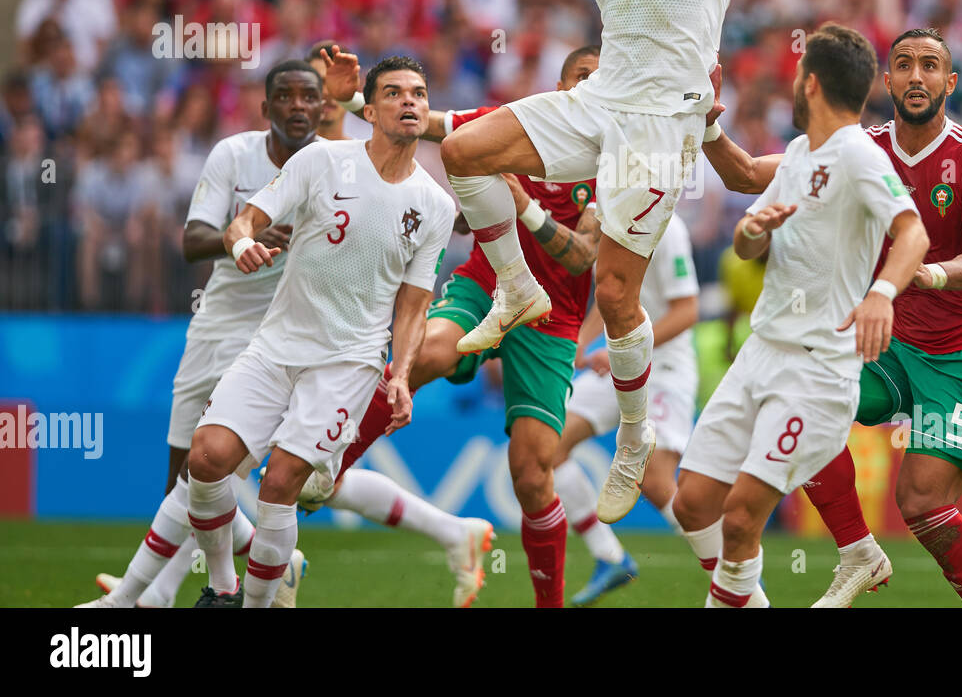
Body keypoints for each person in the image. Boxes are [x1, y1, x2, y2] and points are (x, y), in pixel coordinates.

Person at [381, 0, 740, 523]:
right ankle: (515, 286)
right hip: (600, 102)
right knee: (464, 150)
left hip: (664, 126)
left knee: (615, 296)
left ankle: (634, 439)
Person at [704, 28, 962, 608]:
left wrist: (929, 274)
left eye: (930, 66)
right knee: (804, 410)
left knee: (923, 505)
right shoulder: (858, 148)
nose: (916, 76)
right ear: (887, 81)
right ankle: (859, 554)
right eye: (903, 65)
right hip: (890, 339)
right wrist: (705, 123)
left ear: (949, 83)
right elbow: (747, 173)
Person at [316, 45, 605, 608]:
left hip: (553, 318)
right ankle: (330, 466)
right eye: (578, 76)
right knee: (422, 355)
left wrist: (525, 207)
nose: (585, 88)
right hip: (486, 284)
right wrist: (348, 95)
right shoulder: (517, 127)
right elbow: (425, 122)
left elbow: (581, 256)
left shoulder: (613, 161)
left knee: (531, 471)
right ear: (559, 82)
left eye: (597, 80)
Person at [671, 23, 929, 607]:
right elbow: (744, 240)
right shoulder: (797, 154)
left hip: (816, 371)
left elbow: (911, 233)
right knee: (692, 503)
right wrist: (752, 231)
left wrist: (882, 293)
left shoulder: (860, 155)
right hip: (762, 352)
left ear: (810, 84)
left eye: (795, 73)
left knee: (741, 521)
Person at [184, 56, 454, 607]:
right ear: (370, 109)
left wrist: (399, 376)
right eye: (396, 93)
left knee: (279, 482)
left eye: (420, 94)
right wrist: (240, 245)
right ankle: (221, 587)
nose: (410, 102)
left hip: (347, 364)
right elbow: (245, 221)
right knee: (206, 460)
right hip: (276, 345)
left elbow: (414, 305)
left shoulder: (435, 205)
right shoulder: (322, 161)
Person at [77, 60, 325, 609]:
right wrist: (243, 238)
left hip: (274, 334)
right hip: (214, 320)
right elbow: (191, 241)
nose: (298, 106)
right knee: (182, 472)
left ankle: (167, 594)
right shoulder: (233, 155)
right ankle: (264, 553)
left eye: (310, 96)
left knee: (208, 467)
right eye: (285, 96)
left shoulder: (333, 168)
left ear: (323, 107)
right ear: (266, 108)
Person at [552, 212, 700, 605]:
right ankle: (610, 557)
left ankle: (733, 573)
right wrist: (582, 343)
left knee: (654, 479)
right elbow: (612, 293)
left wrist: (628, 350)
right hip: (618, 364)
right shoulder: (611, 218)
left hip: (665, 369)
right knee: (547, 447)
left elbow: (687, 310)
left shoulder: (669, 228)